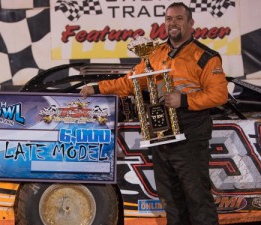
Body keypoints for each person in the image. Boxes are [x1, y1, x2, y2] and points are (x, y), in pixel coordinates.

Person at [80, 2, 228, 225]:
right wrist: (97, 88)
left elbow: (219, 95)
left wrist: (185, 99)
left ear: (191, 23)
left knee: (198, 199)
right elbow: (129, 83)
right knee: (171, 201)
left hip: (191, 135)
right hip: (161, 134)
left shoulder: (205, 56)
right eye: (169, 19)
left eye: (179, 18)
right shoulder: (155, 54)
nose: (173, 23)